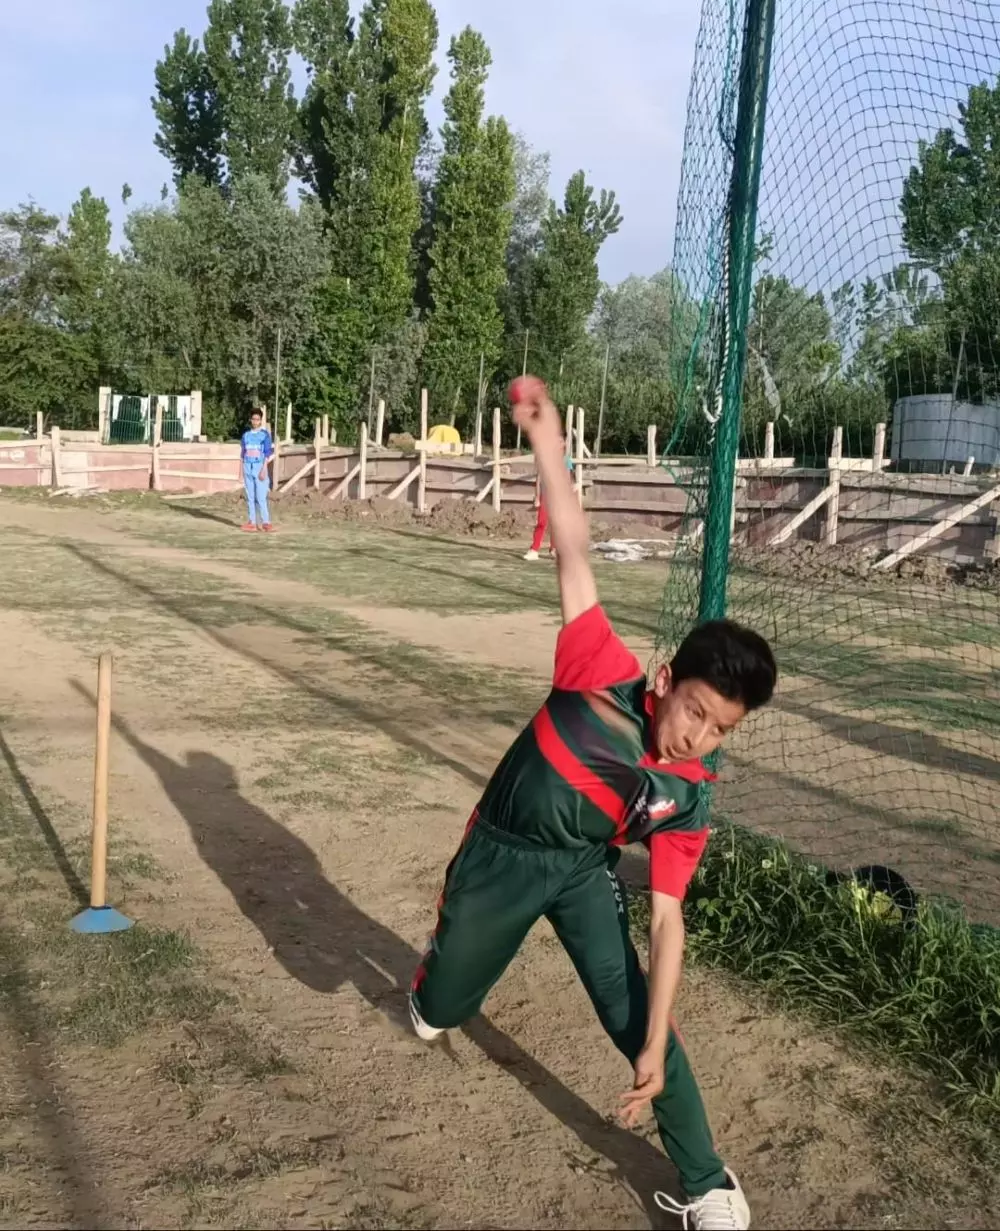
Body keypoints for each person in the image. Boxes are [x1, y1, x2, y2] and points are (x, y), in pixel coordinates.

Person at [409, 376, 776, 1230]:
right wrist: (544, 438)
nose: (698, 737)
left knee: (636, 1010)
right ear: (661, 682)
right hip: (502, 852)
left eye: (721, 729)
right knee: (443, 1011)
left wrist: (653, 1036)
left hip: (581, 873)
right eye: (694, 712)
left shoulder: (689, 795)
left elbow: (668, 918)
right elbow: (574, 548)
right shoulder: (596, 667)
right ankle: (434, 981)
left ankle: (707, 1181)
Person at [524, 443, 574, 560]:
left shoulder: (566, 460)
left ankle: (554, 549)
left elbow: (568, 478)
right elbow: (539, 479)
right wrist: (537, 497)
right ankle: (534, 550)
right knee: (541, 522)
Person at [240, 408, 274, 533]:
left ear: (261, 420)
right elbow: (242, 454)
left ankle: (266, 522)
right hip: (247, 467)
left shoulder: (264, 435)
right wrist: (240, 472)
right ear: (251, 420)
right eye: (253, 419)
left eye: (258, 419)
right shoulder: (246, 435)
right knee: (250, 496)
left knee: (261, 497)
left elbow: (267, 453)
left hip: (260, 467)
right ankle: (252, 522)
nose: (255, 421)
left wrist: (264, 469)